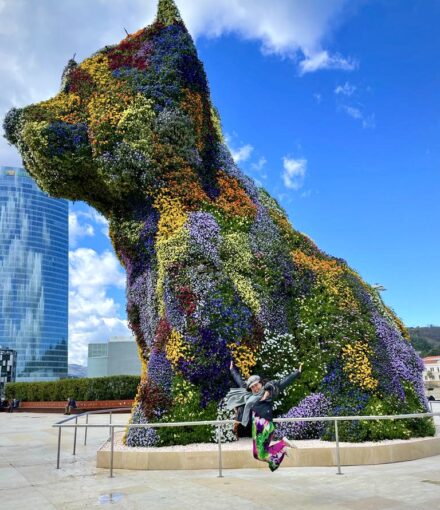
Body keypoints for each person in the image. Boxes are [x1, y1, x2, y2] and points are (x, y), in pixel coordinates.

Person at [226, 362, 303, 472]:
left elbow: (282, 383)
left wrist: (296, 373)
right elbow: (239, 381)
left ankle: (282, 446)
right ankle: (283, 446)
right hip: (255, 426)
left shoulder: (267, 392)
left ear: (261, 383)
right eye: (252, 387)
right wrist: (232, 369)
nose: (255, 388)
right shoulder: (250, 395)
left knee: (260, 454)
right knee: (257, 454)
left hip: (264, 425)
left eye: (256, 385)